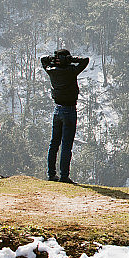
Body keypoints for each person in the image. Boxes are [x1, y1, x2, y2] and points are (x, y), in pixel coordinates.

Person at [41, 49, 89, 184]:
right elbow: (85, 61)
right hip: (69, 109)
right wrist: (70, 59)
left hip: (57, 110)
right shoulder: (70, 71)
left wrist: (53, 59)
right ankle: (64, 176)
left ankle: (51, 174)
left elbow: (43, 60)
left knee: (54, 143)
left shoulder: (51, 70)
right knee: (66, 144)